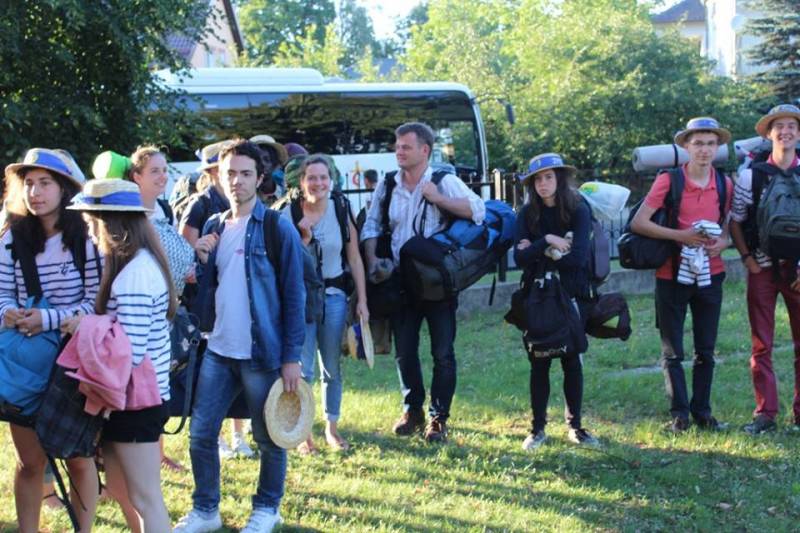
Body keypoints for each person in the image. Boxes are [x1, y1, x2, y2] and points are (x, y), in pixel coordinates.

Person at [174, 139, 305, 533]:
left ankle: (267, 509)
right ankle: (206, 511)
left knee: (269, 438)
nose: (237, 181)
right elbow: (204, 294)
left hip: (262, 354)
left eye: (246, 174)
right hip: (217, 349)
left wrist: (291, 357)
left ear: (260, 178)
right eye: (230, 173)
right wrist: (200, 260)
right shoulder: (214, 225)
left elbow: (294, 295)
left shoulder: (276, 227)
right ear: (219, 176)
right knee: (201, 434)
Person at [360, 122, 485, 443]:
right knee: (405, 350)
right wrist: (373, 261)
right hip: (400, 281)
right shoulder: (388, 184)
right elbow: (371, 225)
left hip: (436, 282)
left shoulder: (443, 181)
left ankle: (438, 418)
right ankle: (412, 410)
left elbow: (477, 210)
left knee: (442, 351)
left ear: (425, 150)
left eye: (406, 146)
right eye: (397, 146)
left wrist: (438, 199)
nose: (399, 151)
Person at [68, 175, 177, 532]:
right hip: (131, 400)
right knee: (124, 490)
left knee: (146, 498)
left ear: (110, 225)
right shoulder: (137, 266)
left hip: (136, 402)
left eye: (91, 223)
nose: (89, 233)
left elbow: (128, 352)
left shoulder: (135, 275)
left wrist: (83, 327)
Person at [1, 148, 100, 533]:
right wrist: (9, 313)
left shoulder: (88, 236)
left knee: (79, 458)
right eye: (28, 184)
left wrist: (48, 319)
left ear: (64, 189)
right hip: (25, 365)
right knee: (30, 462)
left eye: (45, 183)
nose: (35, 192)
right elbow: (2, 293)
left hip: (74, 361)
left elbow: (97, 302)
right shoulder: (11, 237)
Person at [631, 117, 733, 433]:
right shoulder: (669, 180)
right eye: (698, 143)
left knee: (706, 350)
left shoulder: (724, 184)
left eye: (711, 143)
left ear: (718, 148)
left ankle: (703, 412)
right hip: (671, 274)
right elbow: (639, 222)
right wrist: (682, 236)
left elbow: (728, 228)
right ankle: (680, 415)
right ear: (686, 146)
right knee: (673, 351)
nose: (704, 150)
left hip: (711, 274)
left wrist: (724, 242)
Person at [282, 154, 369, 453]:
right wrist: (304, 240)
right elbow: (283, 264)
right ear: (301, 181)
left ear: (331, 180)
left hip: (334, 296)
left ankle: (332, 429)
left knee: (332, 367)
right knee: (303, 369)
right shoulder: (288, 214)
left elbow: (354, 258)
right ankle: (304, 432)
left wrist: (362, 300)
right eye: (312, 178)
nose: (318, 183)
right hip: (301, 301)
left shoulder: (341, 208)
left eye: (323, 177)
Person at [513, 153, 599, 450]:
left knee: (571, 359)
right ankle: (537, 429)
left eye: (549, 177)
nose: (543, 184)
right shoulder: (527, 214)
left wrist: (537, 250)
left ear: (559, 179)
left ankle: (575, 427)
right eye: (537, 179)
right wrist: (549, 241)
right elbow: (519, 258)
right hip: (537, 295)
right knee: (539, 361)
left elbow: (577, 259)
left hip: (571, 293)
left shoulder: (578, 209)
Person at [730, 104, 800, 435]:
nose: (785, 131)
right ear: (769, 133)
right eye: (779, 126)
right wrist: (747, 258)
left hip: (798, 271)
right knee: (761, 345)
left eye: (791, 126)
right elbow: (736, 221)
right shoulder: (751, 175)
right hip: (762, 268)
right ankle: (765, 414)